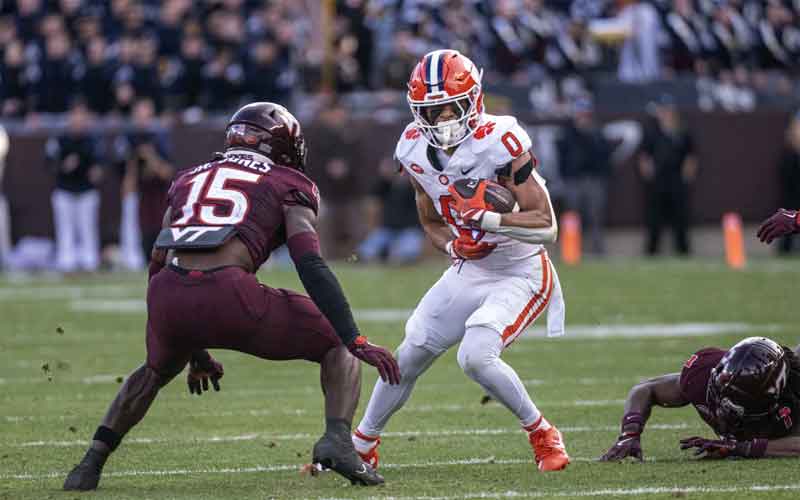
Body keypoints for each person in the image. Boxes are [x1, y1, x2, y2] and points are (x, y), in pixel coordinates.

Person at [62, 102, 399, 491]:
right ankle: (338, 441)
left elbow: (158, 260)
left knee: (153, 371)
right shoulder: (287, 182)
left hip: (168, 292)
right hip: (230, 293)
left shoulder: (189, 177)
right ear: (280, 144)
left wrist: (192, 347)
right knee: (337, 344)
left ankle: (90, 464)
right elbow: (310, 263)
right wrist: (354, 337)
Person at [352, 50, 570, 472]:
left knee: (475, 355)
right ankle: (361, 447)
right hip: (470, 269)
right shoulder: (413, 148)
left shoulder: (501, 139)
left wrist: (490, 218)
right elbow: (431, 220)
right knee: (409, 354)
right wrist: (452, 246)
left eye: (448, 109)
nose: (439, 121)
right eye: (429, 112)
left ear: (473, 101)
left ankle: (543, 433)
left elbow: (547, 225)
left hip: (521, 268)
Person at [601, 337, 800, 461]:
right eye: (720, 393)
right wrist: (630, 434)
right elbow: (644, 389)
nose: (721, 406)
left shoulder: (792, 398)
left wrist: (741, 448)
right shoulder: (703, 376)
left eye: (734, 403)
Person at [45, 101, 104, 272]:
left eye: (82, 115)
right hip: (64, 189)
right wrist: (63, 166)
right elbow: (48, 164)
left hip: (86, 191)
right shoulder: (60, 139)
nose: (78, 119)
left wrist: (97, 172)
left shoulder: (93, 140)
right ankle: (66, 262)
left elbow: (101, 165)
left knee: (88, 229)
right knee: (65, 230)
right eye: (75, 115)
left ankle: (90, 262)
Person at [638, 95, 697, 256]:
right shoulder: (652, 132)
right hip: (658, 181)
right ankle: (651, 251)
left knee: (680, 217)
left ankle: (683, 250)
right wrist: (648, 174)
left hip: (676, 180)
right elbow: (644, 156)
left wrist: (687, 175)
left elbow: (690, 155)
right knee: (654, 218)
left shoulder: (682, 132)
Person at [557, 98, 614, 255]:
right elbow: (563, 156)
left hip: (593, 179)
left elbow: (604, 156)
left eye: (586, 113)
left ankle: (598, 251)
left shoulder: (597, 132)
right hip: (573, 179)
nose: (583, 116)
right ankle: (571, 251)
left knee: (596, 215)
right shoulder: (567, 132)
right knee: (572, 216)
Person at [358, 157, 423, 264]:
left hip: (409, 230)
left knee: (407, 254)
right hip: (387, 229)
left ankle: (391, 256)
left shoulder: (416, 187)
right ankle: (384, 256)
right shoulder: (384, 186)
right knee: (365, 253)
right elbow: (371, 201)